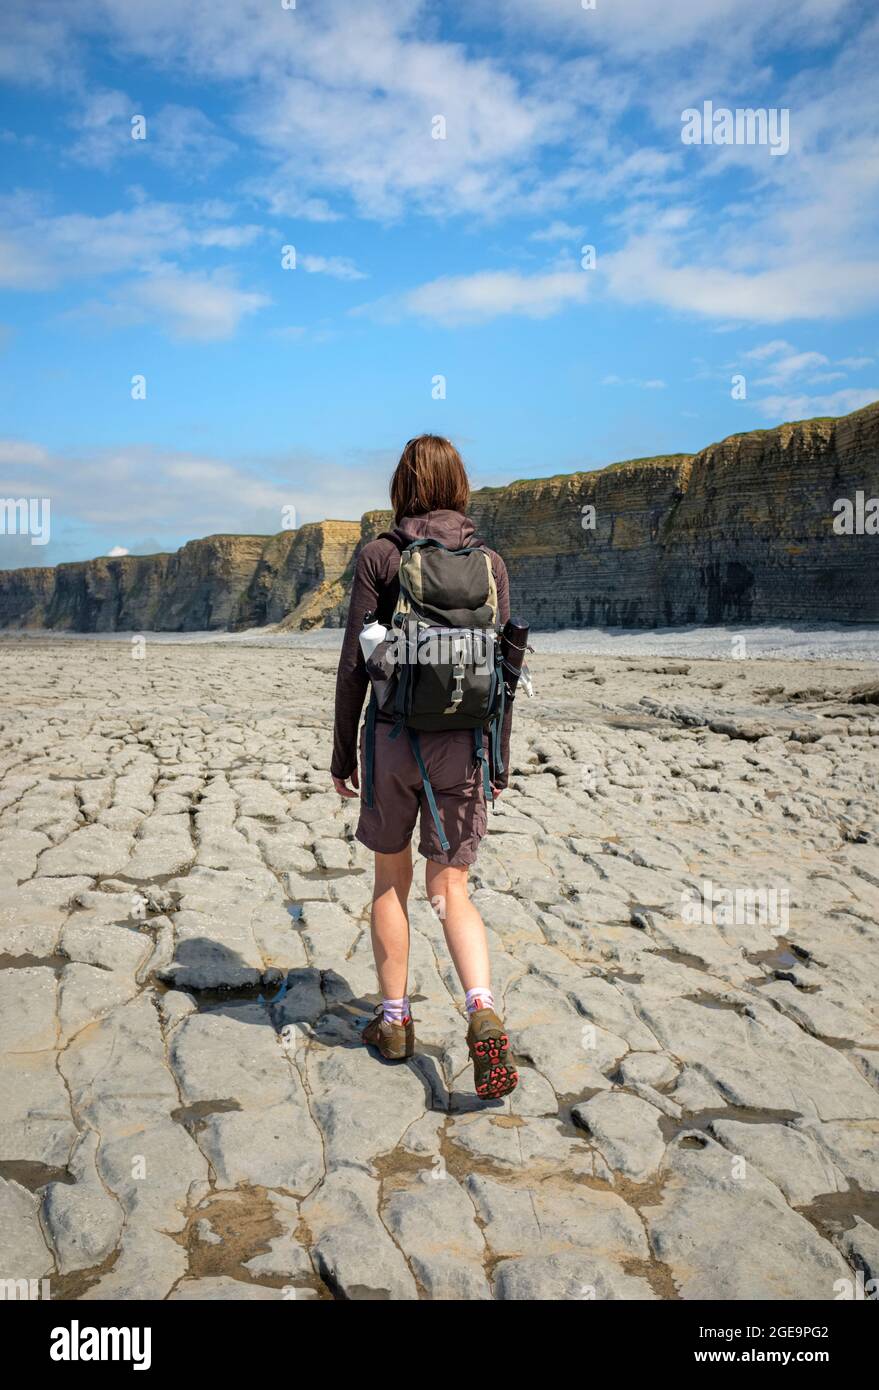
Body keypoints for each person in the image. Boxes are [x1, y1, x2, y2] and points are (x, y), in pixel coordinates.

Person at [331, 435, 518, 1099]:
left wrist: (342, 751)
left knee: (391, 879)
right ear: (460, 485)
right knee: (452, 889)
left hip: (391, 739)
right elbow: (505, 666)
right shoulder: (489, 562)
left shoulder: (381, 555)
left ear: (401, 486)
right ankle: (480, 1009)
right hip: (464, 744)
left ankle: (394, 1021)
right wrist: (497, 757)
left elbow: (356, 661)